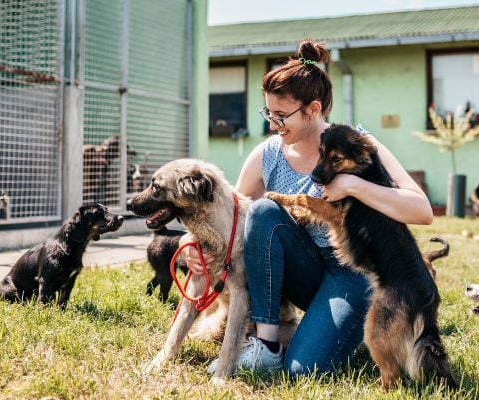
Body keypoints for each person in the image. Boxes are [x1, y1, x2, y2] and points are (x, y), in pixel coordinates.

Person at [181, 40, 434, 377]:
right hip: (300, 271)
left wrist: (353, 185)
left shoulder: (356, 144)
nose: (272, 124)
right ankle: (267, 343)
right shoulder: (267, 154)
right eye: (268, 113)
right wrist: (189, 245)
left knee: (304, 369)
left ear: (313, 110)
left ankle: (342, 329)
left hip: (352, 275)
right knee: (262, 211)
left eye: (281, 115)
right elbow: (229, 217)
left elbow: (421, 210)